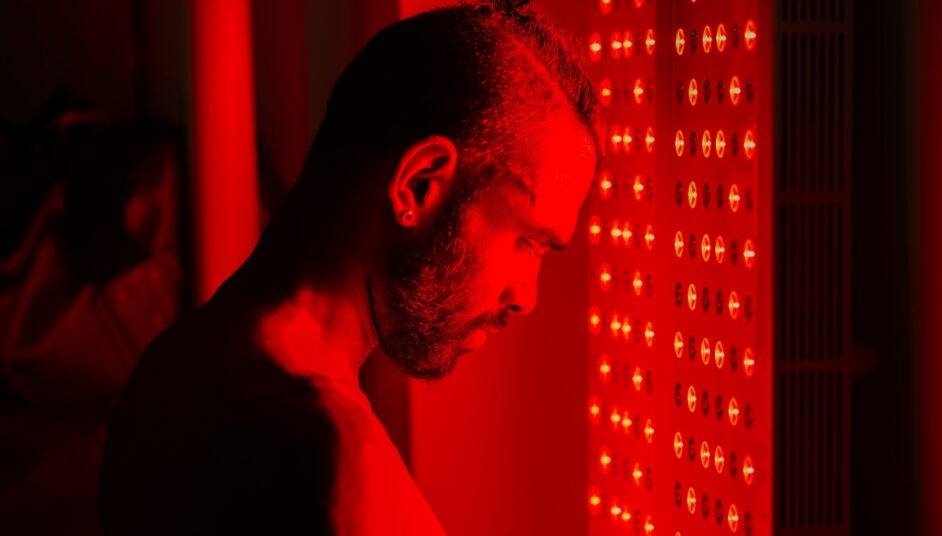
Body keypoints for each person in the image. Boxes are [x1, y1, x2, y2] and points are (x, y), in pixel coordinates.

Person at [99, 1, 600, 534]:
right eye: (528, 242)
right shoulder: (331, 458)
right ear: (420, 184)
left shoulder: (169, 370)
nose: (527, 297)